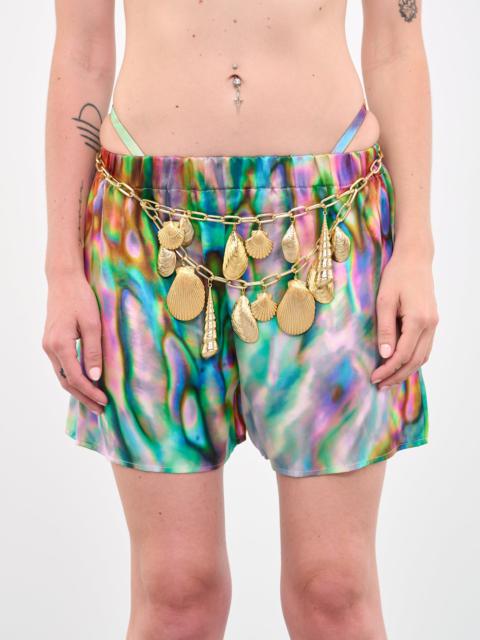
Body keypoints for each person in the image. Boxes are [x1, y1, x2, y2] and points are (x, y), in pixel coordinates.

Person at [43, 0, 437, 638]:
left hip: (330, 221)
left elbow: (397, 46)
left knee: (334, 588)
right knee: (176, 590)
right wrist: (62, 269)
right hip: (145, 228)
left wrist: (416, 249)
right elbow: (81, 52)